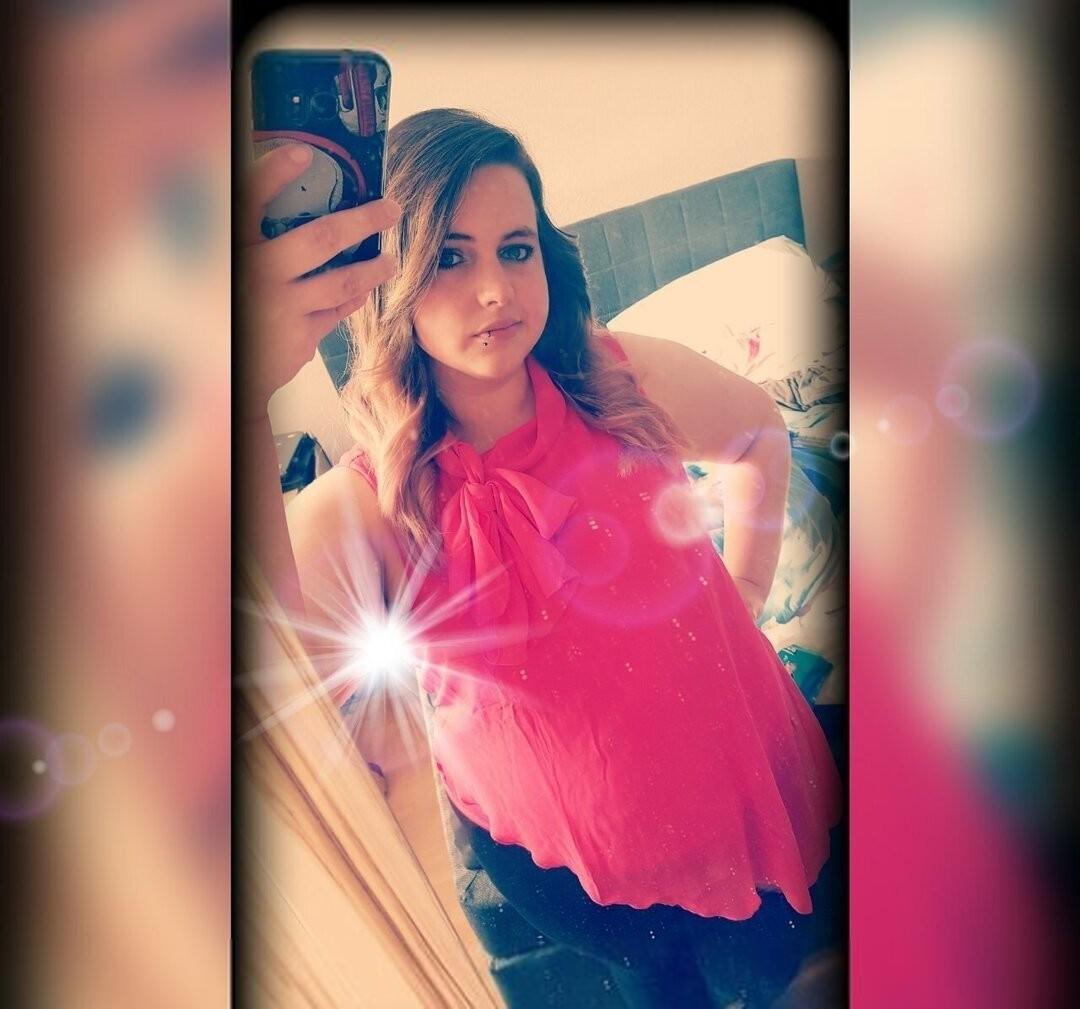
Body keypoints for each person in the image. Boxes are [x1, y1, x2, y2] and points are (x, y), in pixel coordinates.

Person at [240, 108, 843, 1007]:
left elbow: (759, 430)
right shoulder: (367, 502)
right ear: (390, 279)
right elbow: (268, 701)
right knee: (656, 988)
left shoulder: (620, 377)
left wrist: (747, 586)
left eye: (515, 249)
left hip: (746, 797)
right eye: (450, 257)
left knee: (784, 973)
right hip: (568, 869)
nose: (495, 289)